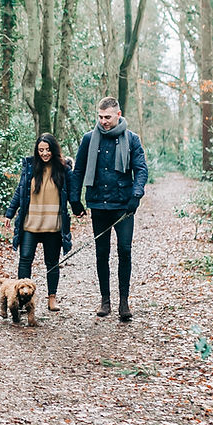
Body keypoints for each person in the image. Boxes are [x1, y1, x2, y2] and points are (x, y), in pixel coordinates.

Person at [71, 97, 148, 322]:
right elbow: (78, 170)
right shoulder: (88, 139)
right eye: (100, 117)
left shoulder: (132, 139)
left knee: (124, 250)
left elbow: (141, 169)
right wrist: (75, 200)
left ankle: (124, 301)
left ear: (118, 114)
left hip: (123, 205)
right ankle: (105, 300)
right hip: (98, 204)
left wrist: (136, 194)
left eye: (108, 117)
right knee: (101, 253)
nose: (103, 121)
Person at [4, 134, 84, 311]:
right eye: (41, 150)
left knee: (52, 263)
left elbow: (72, 193)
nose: (44, 153)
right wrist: (10, 213)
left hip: (53, 226)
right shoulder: (31, 167)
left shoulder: (63, 169)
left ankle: (52, 298)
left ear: (54, 150)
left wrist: (78, 208)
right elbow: (20, 191)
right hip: (30, 224)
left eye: (48, 150)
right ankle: (23, 300)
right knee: (25, 260)